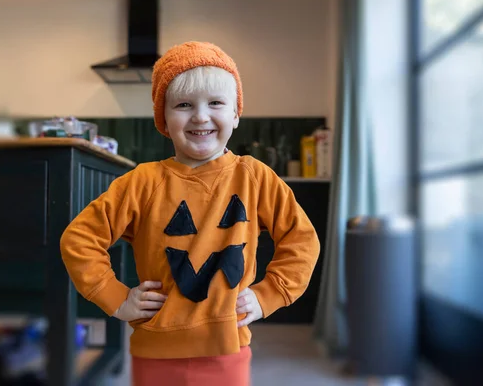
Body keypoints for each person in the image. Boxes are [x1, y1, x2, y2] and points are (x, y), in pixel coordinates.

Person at [60, 41, 320, 386]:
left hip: (228, 347)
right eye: (184, 105)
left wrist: (268, 294)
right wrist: (117, 298)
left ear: (235, 115)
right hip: (155, 348)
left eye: (215, 103)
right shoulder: (142, 182)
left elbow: (301, 239)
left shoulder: (254, 177)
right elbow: (79, 239)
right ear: (163, 120)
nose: (200, 116)